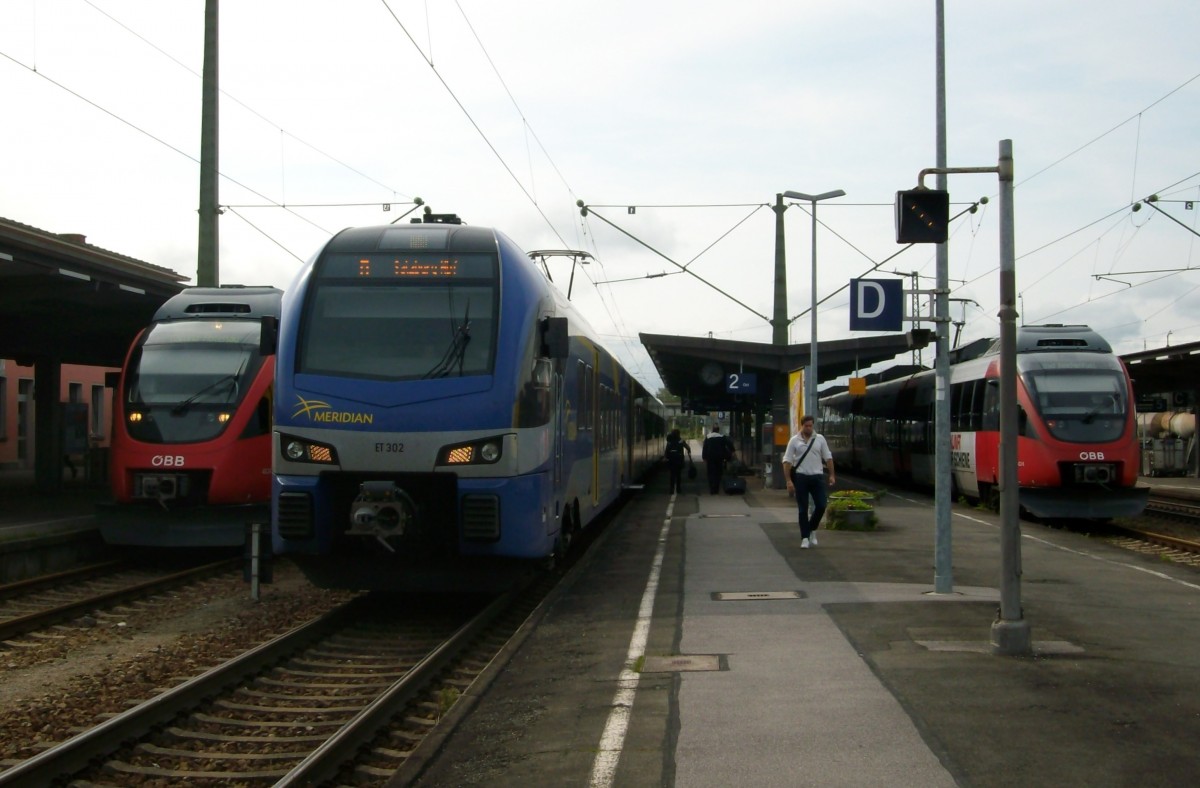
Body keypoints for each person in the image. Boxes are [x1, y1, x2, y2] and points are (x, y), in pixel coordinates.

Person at [782, 414, 835, 548]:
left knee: (822, 505)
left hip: (817, 476)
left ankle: (812, 528)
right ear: (802, 426)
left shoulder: (820, 439)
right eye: (806, 426)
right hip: (801, 478)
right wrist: (788, 480)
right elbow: (787, 461)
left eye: (811, 426)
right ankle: (805, 537)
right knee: (802, 509)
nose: (809, 428)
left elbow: (828, 457)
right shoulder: (794, 440)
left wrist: (832, 475)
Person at [701, 425, 734, 495]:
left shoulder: (708, 437)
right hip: (719, 457)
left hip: (710, 457)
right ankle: (716, 488)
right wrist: (732, 451)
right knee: (718, 473)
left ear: (712, 430)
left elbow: (705, 448)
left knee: (710, 473)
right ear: (718, 430)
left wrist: (704, 457)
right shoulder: (722, 437)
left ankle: (711, 489)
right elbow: (729, 444)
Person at [663, 429, 692, 494]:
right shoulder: (681, 441)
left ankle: (671, 489)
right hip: (679, 459)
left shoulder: (669, 441)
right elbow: (688, 447)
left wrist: (665, 457)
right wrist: (689, 453)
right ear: (679, 434)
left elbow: (667, 450)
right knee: (678, 475)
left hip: (671, 460)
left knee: (672, 475)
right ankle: (678, 489)